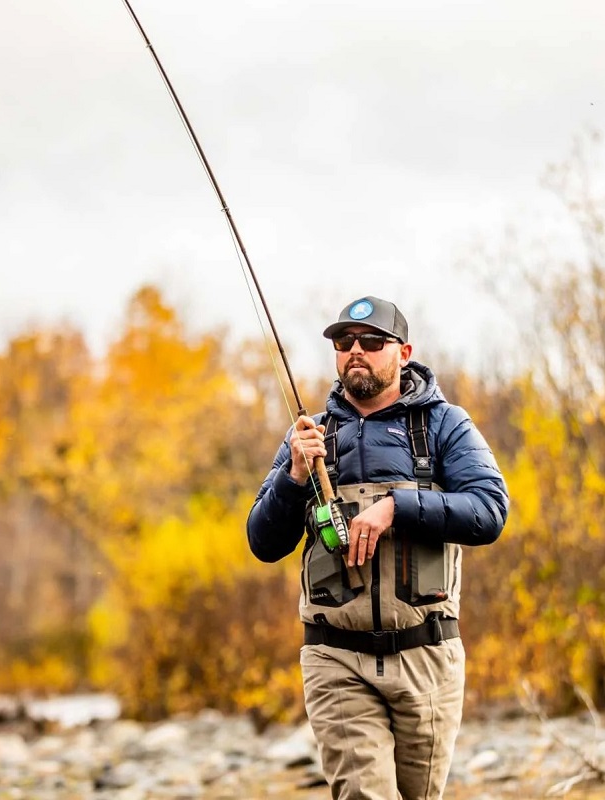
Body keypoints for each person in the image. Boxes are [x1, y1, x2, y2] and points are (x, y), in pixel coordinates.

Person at [247, 295, 509, 800]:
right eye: (344, 343)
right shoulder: (308, 437)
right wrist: (294, 475)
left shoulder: (444, 424)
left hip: (427, 655)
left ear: (403, 352)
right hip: (335, 658)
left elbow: (489, 511)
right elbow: (262, 541)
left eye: (372, 342)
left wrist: (397, 507)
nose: (355, 352)